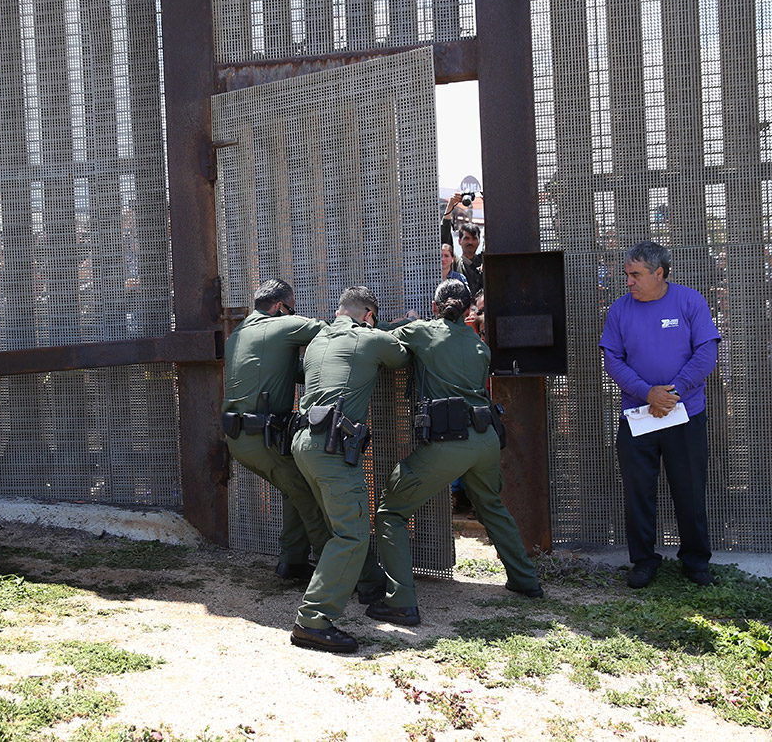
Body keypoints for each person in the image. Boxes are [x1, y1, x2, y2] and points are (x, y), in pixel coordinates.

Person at [359, 280, 542, 626]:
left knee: (390, 512)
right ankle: (525, 580)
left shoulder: (424, 331)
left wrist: (407, 321)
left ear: (434, 305)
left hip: (449, 441)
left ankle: (401, 602)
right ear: (470, 310)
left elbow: (377, 332)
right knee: (491, 505)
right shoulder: (479, 345)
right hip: (485, 440)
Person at [289, 286, 408, 653]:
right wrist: (397, 326)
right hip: (332, 449)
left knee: (338, 524)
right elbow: (401, 357)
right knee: (353, 534)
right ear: (368, 314)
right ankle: (313, 620)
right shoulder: (368, 338)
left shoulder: (318, 340)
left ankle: (369, 584)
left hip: (304, 445)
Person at [599, 241, 721, 589]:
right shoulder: (619, 310)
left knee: (690, 490)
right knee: (639, 492)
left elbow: (705, 354)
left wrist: (674, 392)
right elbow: (613, 361)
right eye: (627, 275)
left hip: (684, 413)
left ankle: (696, 562)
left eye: (636, 275)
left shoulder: (689, 302)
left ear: (659, 273)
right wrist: (647, 392)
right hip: (638, 415)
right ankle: (643, 561)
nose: (630, 282)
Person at [222, 279, 331, 581]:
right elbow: (334, 330)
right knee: (308, 491)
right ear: (281, 307)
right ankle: (333, 570)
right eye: (291, 309)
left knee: (293, 487)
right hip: (262, 438)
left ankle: (292, 561)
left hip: (241, 436)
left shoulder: (240, 333)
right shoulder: (282, 326)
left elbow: (283, 371)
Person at [440, 193, 483, 297]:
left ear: (479, 241)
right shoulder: (455, 262)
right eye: (466, 238)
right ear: (459, 241)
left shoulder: (484, 260)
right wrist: (450, 206)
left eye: (474, 238)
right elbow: (445, 237)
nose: (470, 242)